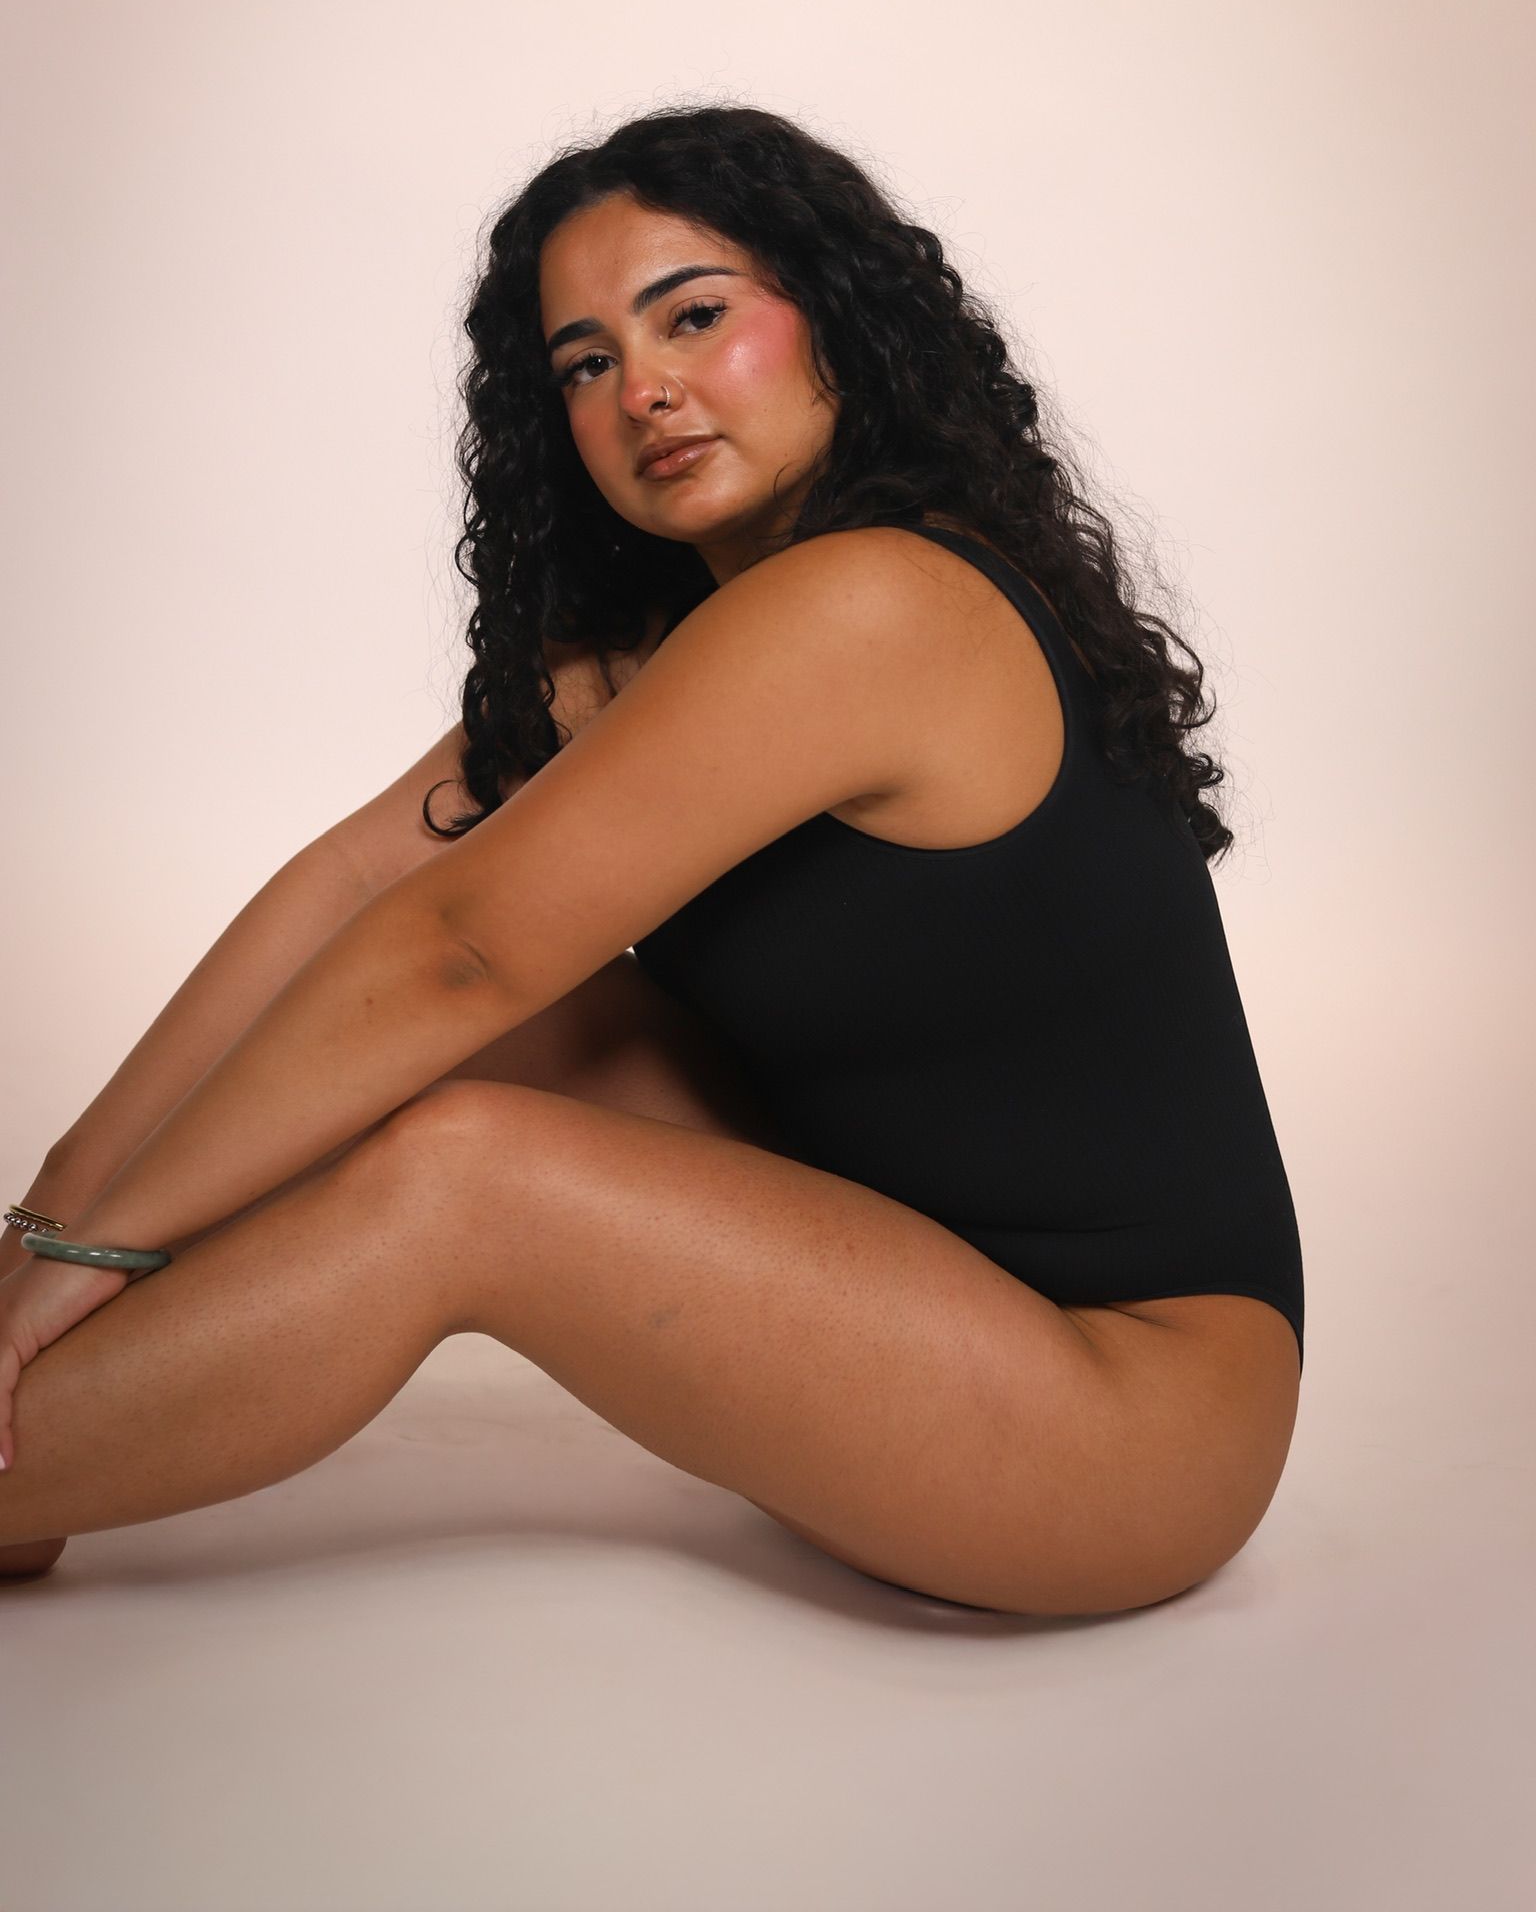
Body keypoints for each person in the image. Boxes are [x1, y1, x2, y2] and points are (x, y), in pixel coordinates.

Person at [0, 103, 1304, 1616]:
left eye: (695, 315)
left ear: (842, 324)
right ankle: (46, 1434)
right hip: (905, 1292)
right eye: (588, 364)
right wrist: (45, 1224)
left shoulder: (877, 605)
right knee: (533, 1040)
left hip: (1123, 1430)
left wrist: (101, 1250)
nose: (647, 391)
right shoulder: (659, 655)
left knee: (466, 1167)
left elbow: (457, 946)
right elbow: (354, 887)